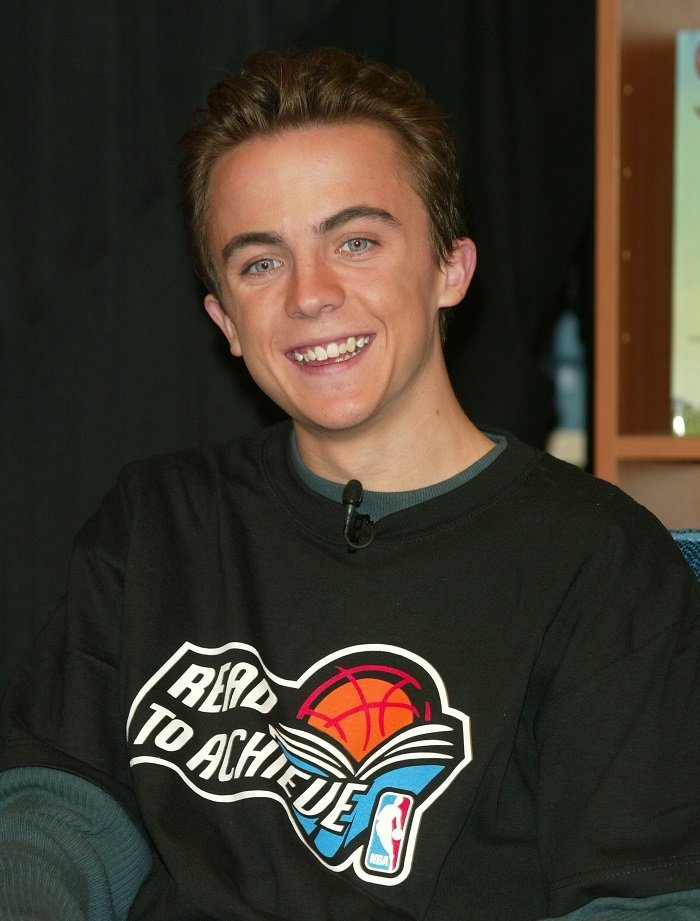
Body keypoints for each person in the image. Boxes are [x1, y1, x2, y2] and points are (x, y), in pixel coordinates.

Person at [0, 46, 699, 921]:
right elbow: (59, 808)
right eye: (260, 263)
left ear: (451, 268)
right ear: (223, 317)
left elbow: (643, 899)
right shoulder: (154, 525)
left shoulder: (599, 561)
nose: (310, 295)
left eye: (356, 241)